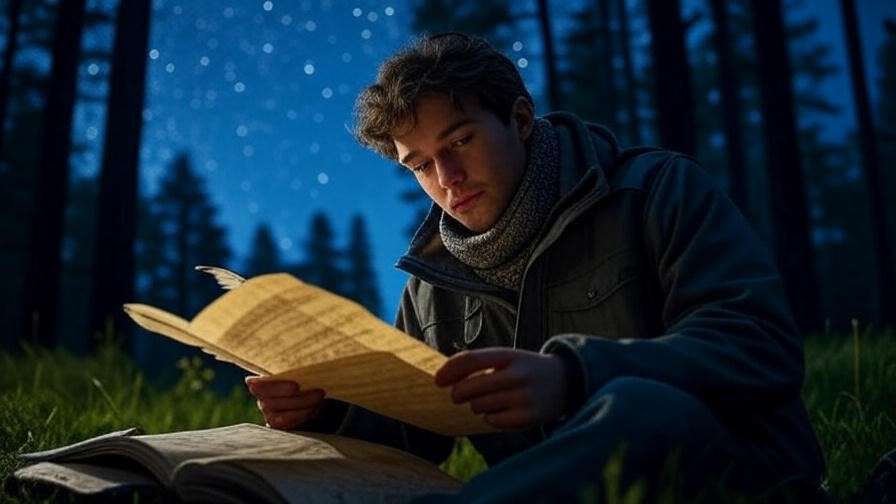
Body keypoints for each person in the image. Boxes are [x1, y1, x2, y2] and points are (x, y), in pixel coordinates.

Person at [245, 32, 827, 502]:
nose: (446, 179)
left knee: (643, 408)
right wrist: (323, 410)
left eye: (461, 141)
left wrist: (576, 377)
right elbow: (407, 437)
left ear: (520, 120)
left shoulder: (655, 192)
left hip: (735, 478)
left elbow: (759, 345)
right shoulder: (429, 287)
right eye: (420, 165)